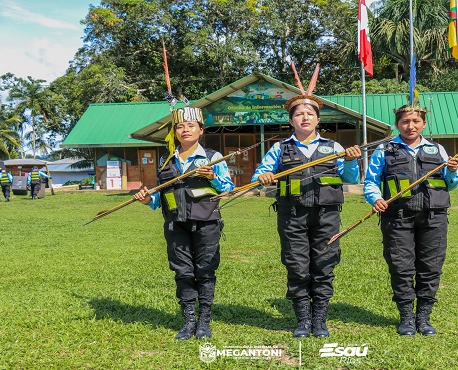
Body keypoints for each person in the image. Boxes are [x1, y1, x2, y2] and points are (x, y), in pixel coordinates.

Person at [252, 65, 361, 338]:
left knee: (324, 263)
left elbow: (349, 177)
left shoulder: (334, 147)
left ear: (317, 119)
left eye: (309, 113)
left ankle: (319, 320)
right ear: (291, 120)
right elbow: (258, 175)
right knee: (297, 264)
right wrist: (264, 176)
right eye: (299, 114)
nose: (304, 117)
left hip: (327, 214)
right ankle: (302, 319)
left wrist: (351, 160)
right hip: (292, 215)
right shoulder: (280, 148)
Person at [134, 107, 234, 340]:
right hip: (175, 224)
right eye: (180, 126)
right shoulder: (166, 160)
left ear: (200, 130)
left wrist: (213, 177)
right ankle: (189, 320)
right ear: (175, 132)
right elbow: (160, 196)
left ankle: (204, 322)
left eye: (191, 126)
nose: (185, 129)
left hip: (207, 223)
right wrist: (148, 198)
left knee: (205, 271)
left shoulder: (212, 157)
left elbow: (228, 188)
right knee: (183, 272)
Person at [363, 103, 458, 337]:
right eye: (405, 122)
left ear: (424, 124)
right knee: (401, 267)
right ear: (397, 125)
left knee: (431, 267)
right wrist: (375, 198)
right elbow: (370, 181)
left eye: (416, 121)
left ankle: (424, 318)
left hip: (433, 218)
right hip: (396, 218)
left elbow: (451, 184)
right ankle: (406, 317)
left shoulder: (438, 150)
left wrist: (452, 171)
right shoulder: (385, 150)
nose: (411, 126)